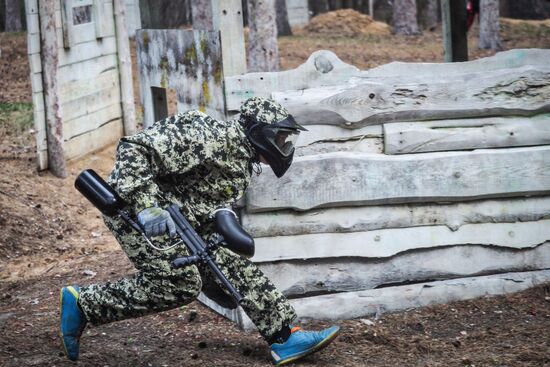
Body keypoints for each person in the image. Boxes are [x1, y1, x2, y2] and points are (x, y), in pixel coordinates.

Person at [59, 97, 340, 365]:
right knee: (181, 283)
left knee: (231, 266)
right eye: (280, 138)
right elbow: (134, 148)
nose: (284, 146)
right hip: (133, 210)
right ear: (259, 132)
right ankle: (84, 304)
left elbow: (203, 196)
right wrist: (147, 207)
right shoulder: (209, 136)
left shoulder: (239, 160)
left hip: (178, 217)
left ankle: (284, 337)